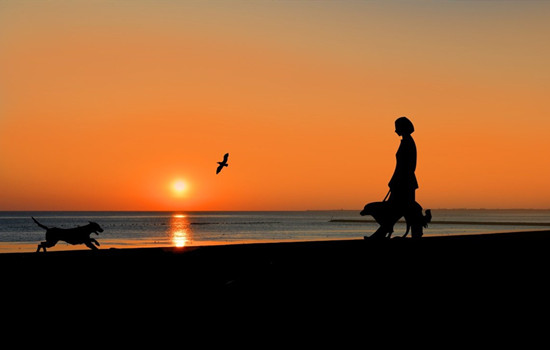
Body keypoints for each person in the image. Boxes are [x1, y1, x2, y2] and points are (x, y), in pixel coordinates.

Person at [387, 116, 425, 237]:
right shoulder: (407, 142)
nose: (395, 131)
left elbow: (403, 166)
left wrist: (394, 181)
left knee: (395, 210)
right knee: (399, 210)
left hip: (404, 182)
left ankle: (383, 233)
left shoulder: (407, 143)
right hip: (404, 181)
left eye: (396, 127)